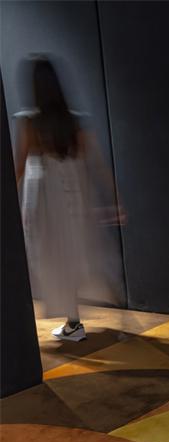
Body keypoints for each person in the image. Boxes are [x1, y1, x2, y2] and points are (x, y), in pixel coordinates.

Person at [15, 56, 124, 341]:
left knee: (51, 258)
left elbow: (20, 165)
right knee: (73, 254)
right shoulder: (74, 121)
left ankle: (72, 323)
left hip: (46, 200)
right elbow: (96, 164)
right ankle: (74, 322)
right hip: (74, 197)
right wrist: (115, 200)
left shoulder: (30, 122)